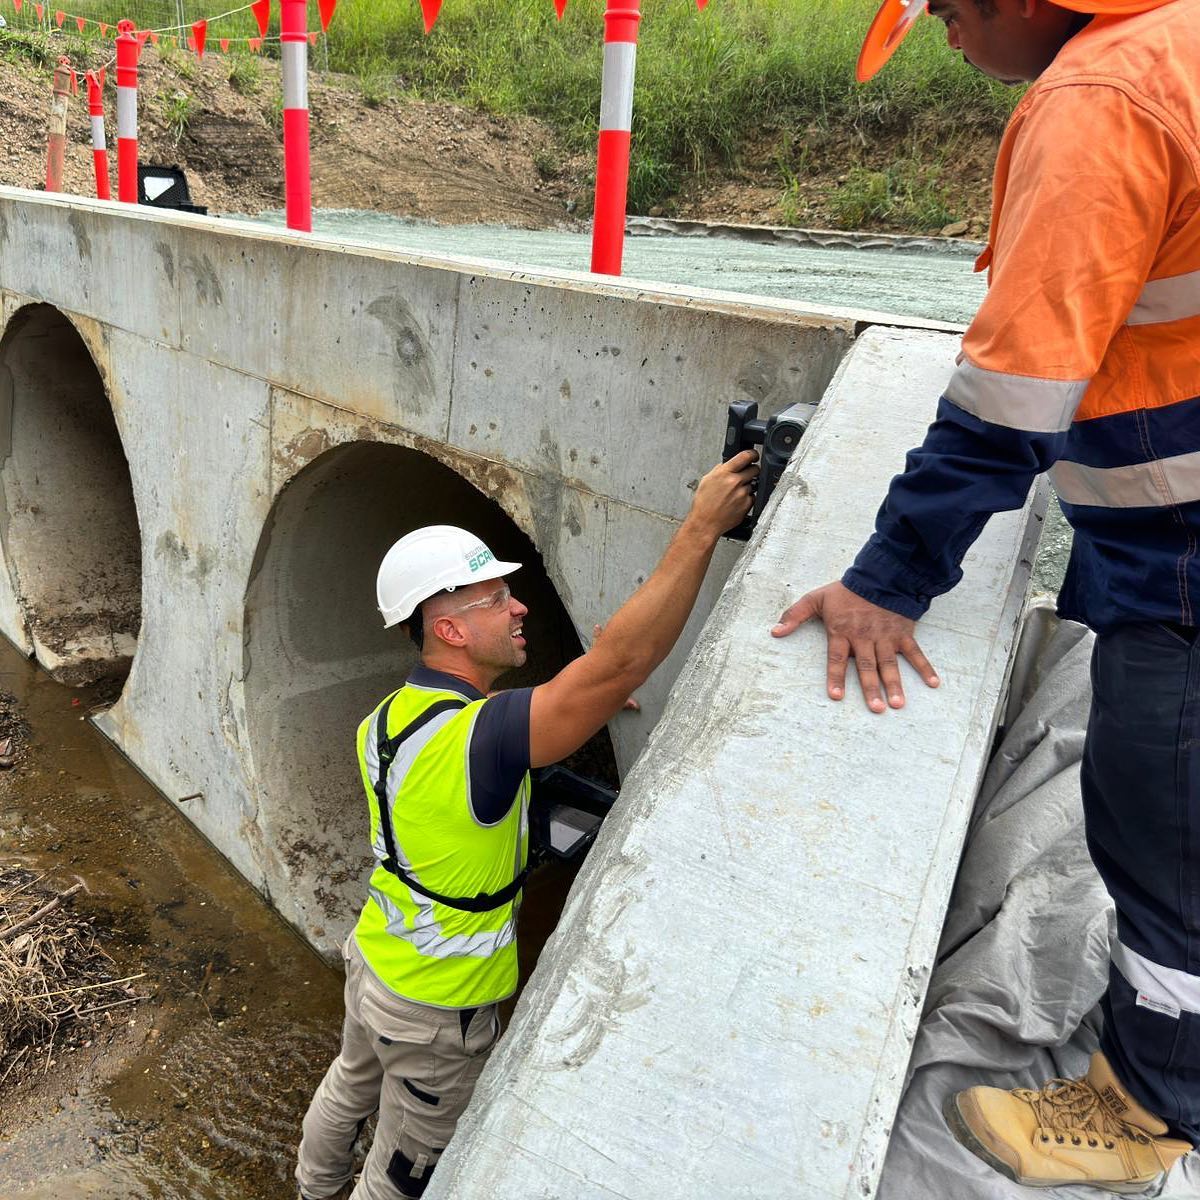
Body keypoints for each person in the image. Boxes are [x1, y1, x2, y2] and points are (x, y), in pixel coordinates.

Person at [772, 0, 1199, 1190]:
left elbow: (1013, 402)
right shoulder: (1178, 44)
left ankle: (1151, 1107)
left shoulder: (1101, 98)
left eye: (953, 12)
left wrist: (890, 580)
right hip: (1162, 523)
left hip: (1183, 544)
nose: (952, 38)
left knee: (1157, 822)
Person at [295, 451, 757, 1200]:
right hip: (441, 1005)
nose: (520, 609)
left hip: (376, 958)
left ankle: (312, 1188)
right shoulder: (485, 736)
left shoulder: (386, 720)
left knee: (350, 1081)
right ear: (450, 628)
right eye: (497, 598)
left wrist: (572, 707)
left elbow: (479, 745)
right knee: (407, 1165)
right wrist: (702, 526)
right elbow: (622, 661)